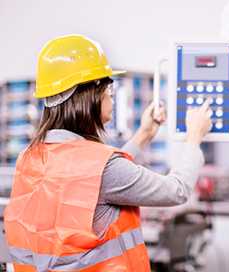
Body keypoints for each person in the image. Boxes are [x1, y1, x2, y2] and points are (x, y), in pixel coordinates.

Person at [4, 34, 212, 272]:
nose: (111, 95)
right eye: (108, 88)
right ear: (90, 95)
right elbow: (176, 190)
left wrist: (143, 135)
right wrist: (194, 138)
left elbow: (93, 178)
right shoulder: (103, 167)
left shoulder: (30, 158)